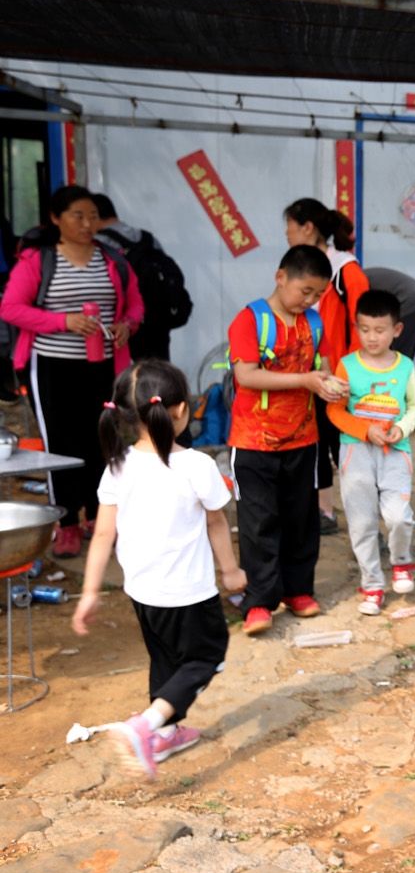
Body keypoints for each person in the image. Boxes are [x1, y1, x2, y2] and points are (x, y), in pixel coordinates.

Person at [71, 360, 245, 780]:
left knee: (166, 660)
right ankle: (144, 726)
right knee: (207, 656)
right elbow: (216, 522)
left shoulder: (118, 464)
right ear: (182, 410)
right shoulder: (196, 465)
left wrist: (90, 591)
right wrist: (231, 572)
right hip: (189, 592)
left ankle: (162, 733)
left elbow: (101, 537)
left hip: (143, 591)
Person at [0, 185, 144, 558]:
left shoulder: (113, 260)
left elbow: (135, 307)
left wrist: (127, 324)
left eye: (93, 215)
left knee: (102, 439)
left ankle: (98, 516)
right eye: (77, 215)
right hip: (52, 366)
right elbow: (11, 308)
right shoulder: (39, 260)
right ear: (55, 218)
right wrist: (63, 321)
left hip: (103, 366)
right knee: (61, 444)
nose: (87, 223)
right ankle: (65, 523)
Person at [227, 245, 346, 635]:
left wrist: (333, 385)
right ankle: (259, 601)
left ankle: (298, 590)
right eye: (305, 291)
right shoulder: (250, 320)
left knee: (301, 520)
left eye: (317, 295)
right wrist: (306, 381)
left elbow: (323, 369)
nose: (310, 301)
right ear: (281, 277)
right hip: (252, 440)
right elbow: (247, 376)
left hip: (303, 439)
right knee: (258, 522)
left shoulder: (313, 324)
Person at [325, 290, 415, 616]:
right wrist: (364, 430)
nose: (371, 337)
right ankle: (371, 583)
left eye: (379, 330)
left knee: (398, 516)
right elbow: (335, 412)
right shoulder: (347, 365)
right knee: (361, 522)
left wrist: (402, 428)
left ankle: (401, 562)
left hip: (396, 452)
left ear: (396, 330)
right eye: (364, 329)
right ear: (356, 327)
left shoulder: (405, 366)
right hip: (356, 452)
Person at [285, 198, 369, 535]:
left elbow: (365, 325)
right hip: (315, 375)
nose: (288, 236)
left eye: (289, 229)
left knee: (346, 447)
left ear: (307, 228)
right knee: (317, 442)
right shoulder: (304, 270)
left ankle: (363, 519)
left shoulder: (346, 271)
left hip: (342, 379)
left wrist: (351, 375)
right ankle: (325, 511)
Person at [92, 193, 192, 363]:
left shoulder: (100, 243)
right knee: (158, 374)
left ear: (94, 216)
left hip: (124, 324)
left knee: (128, 378)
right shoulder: (147, 238)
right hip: (158, 320)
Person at [364, 267, 415, 358]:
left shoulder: (354, 281)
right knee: (402, 358)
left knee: (389, 358)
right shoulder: (363, 275)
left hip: (410, 304)